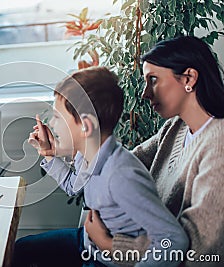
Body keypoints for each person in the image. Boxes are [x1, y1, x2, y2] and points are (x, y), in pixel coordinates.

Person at [12, 66, 188, 267]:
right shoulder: (91, 156)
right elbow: (73, 186)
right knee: (20, 250)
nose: (51, 123)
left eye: (57, 117)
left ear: (86, 126)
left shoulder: (122, 176)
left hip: (104, 260)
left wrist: (110, 247)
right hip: (87, 242)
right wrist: (50, 154)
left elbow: (174, 241)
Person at [84, 36, 224, 266]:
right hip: (114, 242)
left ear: (188, 78)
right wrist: (63, 148)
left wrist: (110, 244)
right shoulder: (174, 127)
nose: (144, 93)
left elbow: (198, 250)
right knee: (26, 247)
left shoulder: (218, 146)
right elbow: (121, 164)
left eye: (153, 80)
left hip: (130, 253)